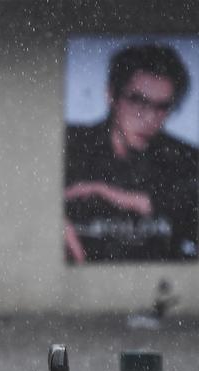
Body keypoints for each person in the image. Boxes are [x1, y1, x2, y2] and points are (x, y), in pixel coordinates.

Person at [65, 44, 199, 262]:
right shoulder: (69, 143)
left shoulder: (187, 159)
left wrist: (114, 195)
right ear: (111, 95)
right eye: (138, 101)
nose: (149, 118)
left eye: (162, 107)